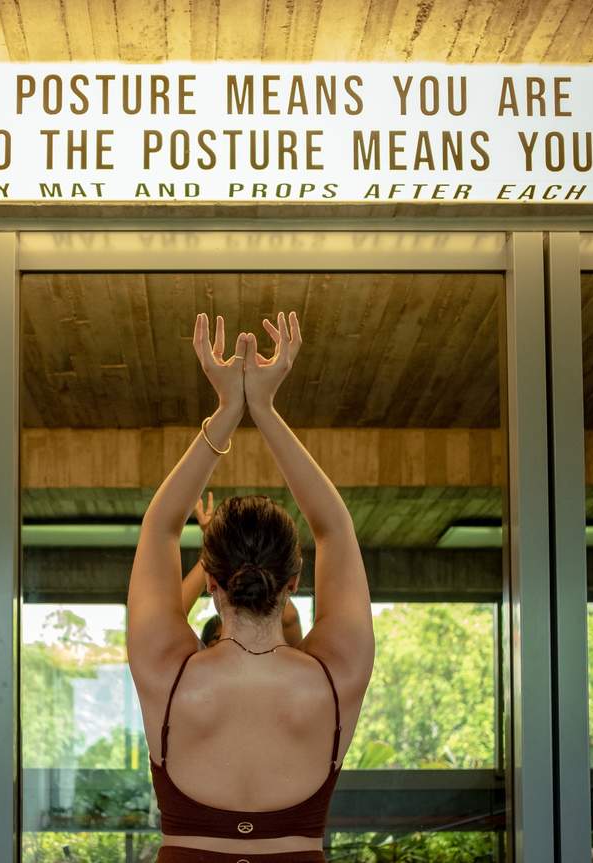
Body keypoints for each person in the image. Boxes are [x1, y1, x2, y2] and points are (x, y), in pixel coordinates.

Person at [127, 312, 376, 863]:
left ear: (211, 582)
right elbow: (335, 529)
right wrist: (264, 410)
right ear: (294, 580)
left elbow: (159, 526)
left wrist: (226, 413)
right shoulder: (338, 674)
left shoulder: (165, 669)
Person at [182, 492, 304, 649]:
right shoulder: (309, 666)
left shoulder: (188, 667)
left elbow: (289, 619)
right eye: (218, 637)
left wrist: (217, 550)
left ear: (210, 581)